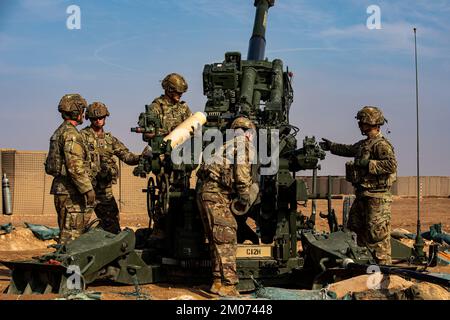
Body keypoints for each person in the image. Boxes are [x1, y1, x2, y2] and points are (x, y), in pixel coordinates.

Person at [320, 106, 397, 264]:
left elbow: (391, 165)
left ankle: (383, 271)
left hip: (377, 197)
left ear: (371, 122)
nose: (360, 125)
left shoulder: (381, 145)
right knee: (354, 231)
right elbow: (349, 149)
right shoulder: (365, 144)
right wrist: (331, 146)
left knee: (377, 236)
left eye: (362, 122)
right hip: (363, 195)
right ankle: (362, 266)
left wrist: (368, 164)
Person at [196, 116, 257, 297]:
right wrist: (245, 197)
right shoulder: (243, 145)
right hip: (216, 194)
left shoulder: (224, 146)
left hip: (204, 193)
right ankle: (229, 286)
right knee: (227, 237)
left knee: (216, 240)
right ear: (249, 132)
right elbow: (242, 175)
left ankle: (217, 282)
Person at [143, 73, 193, 239]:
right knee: (166, 193)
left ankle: (181, 227)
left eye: (181, 93)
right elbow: (147, 133)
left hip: (183, 159)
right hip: (164, 159)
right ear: (168, 90)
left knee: (184, 193)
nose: (180, 96)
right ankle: (161, 228)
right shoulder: (156, 107)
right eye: (177, 92)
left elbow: (193, 128)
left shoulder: (184, 108)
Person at [81, 102, 141, 234]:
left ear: (105, 117)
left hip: (105, 191)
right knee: (78, 226)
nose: (98, 120)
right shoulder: (82, 137)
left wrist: (142, 157)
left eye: (100, 117)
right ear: (89, 119)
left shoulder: (111, 140)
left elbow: (127, 157)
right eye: (94, 118)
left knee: (112, 225)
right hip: (85, 189)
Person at [45, 94, 98, 243]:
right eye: (82, 110)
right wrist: (87, 189)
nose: (83, 114)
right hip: (71, 192)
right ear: (77, 112)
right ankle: (69, 266)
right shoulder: (71, 134)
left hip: (63, 189)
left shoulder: (60, 131)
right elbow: (74, 167)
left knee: (66, 234)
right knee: (71, 239)